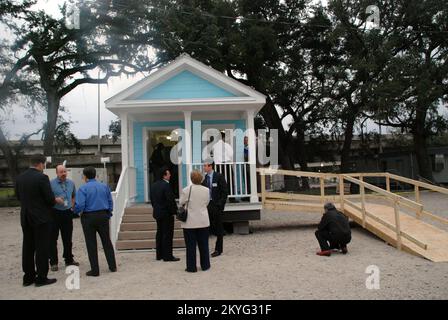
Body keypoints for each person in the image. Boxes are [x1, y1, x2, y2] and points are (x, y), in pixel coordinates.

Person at [15, 154, 64, 287]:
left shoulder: (20, 178)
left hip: (25, 217)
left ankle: (28, 277)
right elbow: (49, 199)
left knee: (28, 247)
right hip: (41, 218)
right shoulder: (42, 177)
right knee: (41, 248)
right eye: (43, 165)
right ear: (41, 164)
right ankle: (41, 277)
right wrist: (56, 200)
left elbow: (18, 196)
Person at [74, 166, 117, 276]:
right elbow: (110, 201)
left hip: (89, 217)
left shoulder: (83, 189)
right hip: (103, 215)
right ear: (95, 175)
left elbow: (80, 205)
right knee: (106, 241)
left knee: (91, 243)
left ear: (85, 176)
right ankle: (112, 266)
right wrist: (109, 212)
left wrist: (75, 211)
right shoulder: (104, 186)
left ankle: (95, 270)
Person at [49, 165, 79, 271]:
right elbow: (47, 197)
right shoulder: (51, 184)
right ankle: (53, 262)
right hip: (55, 213)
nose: (63, 174)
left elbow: (74, 195)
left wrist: (72, 204)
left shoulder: (71, 183)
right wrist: (55, 199)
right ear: (56, 173)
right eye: (61, 172)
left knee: (67, 238)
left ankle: (69, 259)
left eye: (64, 171)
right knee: (53, 239)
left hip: (67, 213)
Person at [179, 170, 211, 272]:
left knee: (190, 246)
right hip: (203, 221)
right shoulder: (206, 190)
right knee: (204, 245)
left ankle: (191, 267)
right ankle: (205, 265)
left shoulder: (186, 190)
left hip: (190, 222)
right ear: (201, 179)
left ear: (191, 178)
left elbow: (181, 202)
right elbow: (206, 202)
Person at [150, 167, 180, 262]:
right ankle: (168, 256)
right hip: (166, 214)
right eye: (168, 174)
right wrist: (175, 211)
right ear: (164, 175)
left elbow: (152, 200)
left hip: (157, 213)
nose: (170, 175)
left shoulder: (153, 185)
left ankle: (159, 255)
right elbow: (170, 201)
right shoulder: (166, 185)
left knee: (159, 233)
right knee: (167, 235)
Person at [202, 162, 228, 257]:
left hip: (216, 205)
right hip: (207, 205)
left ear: (210, 166)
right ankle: (205, 248)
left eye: (205, 165)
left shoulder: (219, 176)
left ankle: (218, 249)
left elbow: (224, 192)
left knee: (219, 228)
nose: (204, 167)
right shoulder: (204, 179)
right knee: (206, 227)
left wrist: (220, 205)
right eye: (204, 165)